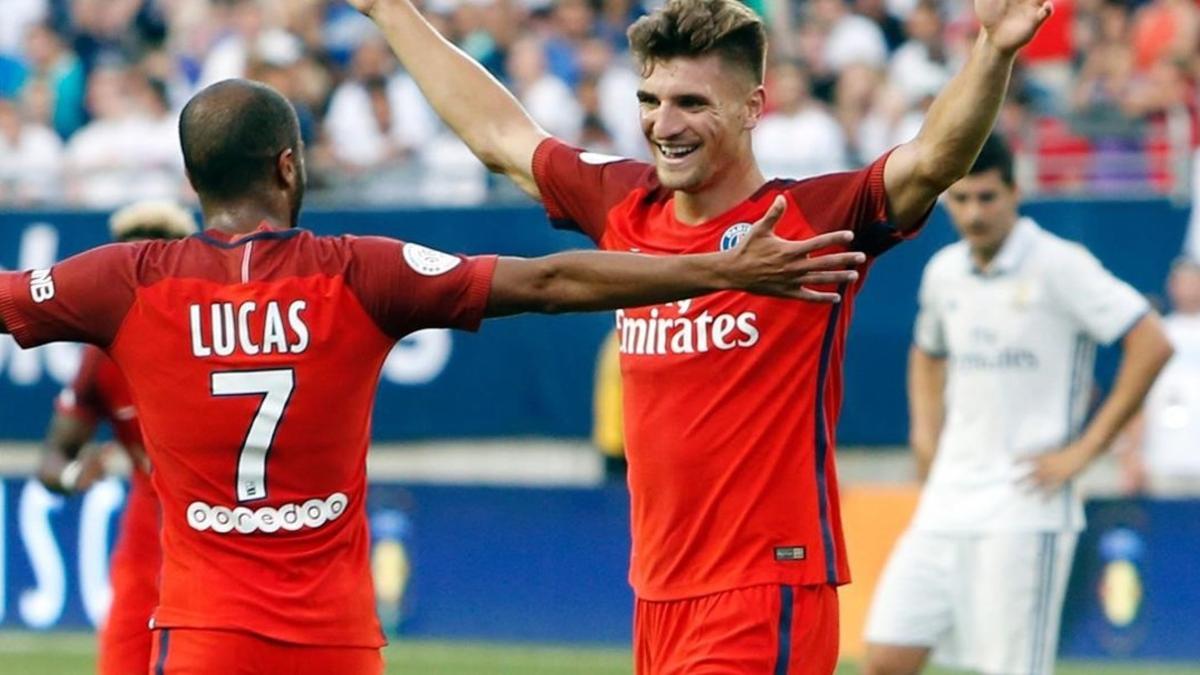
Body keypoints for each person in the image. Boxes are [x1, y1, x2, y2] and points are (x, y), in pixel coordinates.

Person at [0, 78, 863, 674]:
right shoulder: (356, 272)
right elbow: (551, 280)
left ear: (192, 179)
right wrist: (718, 270)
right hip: (334, 637)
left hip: (201, 630)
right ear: (290, 166)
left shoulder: (126, 280)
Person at [350, 0, 1054, 671]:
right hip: (658, 591)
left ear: (753, 108)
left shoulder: (809, 218)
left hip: (765, 583)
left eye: (692, 103)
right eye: (651, 101)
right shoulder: (626, 206)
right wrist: (390, 11)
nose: (664, 123)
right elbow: (502, 138)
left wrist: (993, 50)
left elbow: (931, 160)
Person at [863, 135, 1173, 675]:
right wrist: (924, 433)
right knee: (887, 655)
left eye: (987, 198)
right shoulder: (945, 272)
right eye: (961, 200)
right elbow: (927, 352)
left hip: (1025, 504)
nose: (974, 213)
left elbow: (1152, 341)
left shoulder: (1060, 264)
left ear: (1015, 191)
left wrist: (1087, 450)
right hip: (946, 500)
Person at [36, 199, 198, 675]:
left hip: (227, 526)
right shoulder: (103, 358)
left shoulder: (218, 334)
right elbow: (54, 455)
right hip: (149, 528)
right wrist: (71, 473)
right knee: (125, 660)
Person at [1119, 256, 1200, 496]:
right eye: (1181, 281)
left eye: (1193, 280)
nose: (1187, 287)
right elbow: (1137, 396)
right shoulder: (1156, 334)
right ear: (1170, 285)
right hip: (1163, 459)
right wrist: (1131, 454)